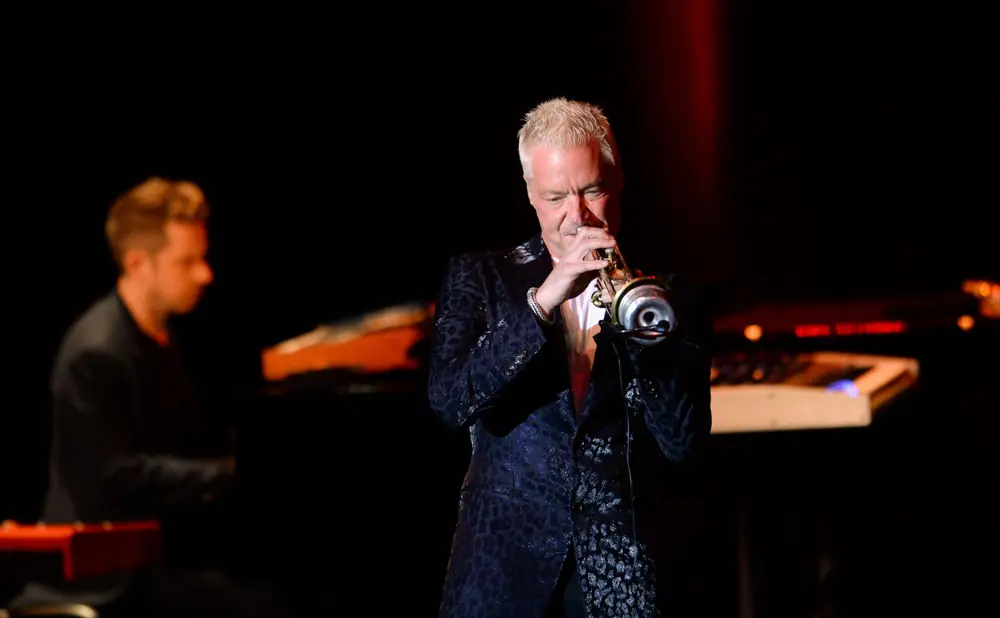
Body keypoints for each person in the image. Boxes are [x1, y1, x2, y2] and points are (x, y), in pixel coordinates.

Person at [427, 98, 713, 618]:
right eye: (555, 196)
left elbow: (683, 444)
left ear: (619, 181)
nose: (576, 216)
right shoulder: (479, 278)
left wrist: (644, 337)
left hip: (621, 577)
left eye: (592, 191)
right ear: (531, 196)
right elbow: (449, 402)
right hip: (501, 571)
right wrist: (543, 299)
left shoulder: (669, 296)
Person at [10, 177, 292, 618]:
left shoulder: (162, 335)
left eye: (204, 257)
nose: (206, 273)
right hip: (105, 574)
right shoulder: (97, 351)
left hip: (153, 555)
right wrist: (231, 475)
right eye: (187, 261)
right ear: (138, 263)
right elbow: (116, 473)